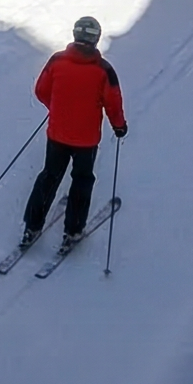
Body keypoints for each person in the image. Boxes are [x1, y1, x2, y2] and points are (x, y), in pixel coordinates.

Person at [24, 15, 127, 245]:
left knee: (49, 177)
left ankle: (31, 226)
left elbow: (41, 90)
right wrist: (119, 126)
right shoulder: (104, 70)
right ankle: (72, 231)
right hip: (86, 140)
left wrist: (57, 108)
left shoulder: (57, 61)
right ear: (96, 39)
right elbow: (113, 103)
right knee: (81, 180)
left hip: (57, 134)